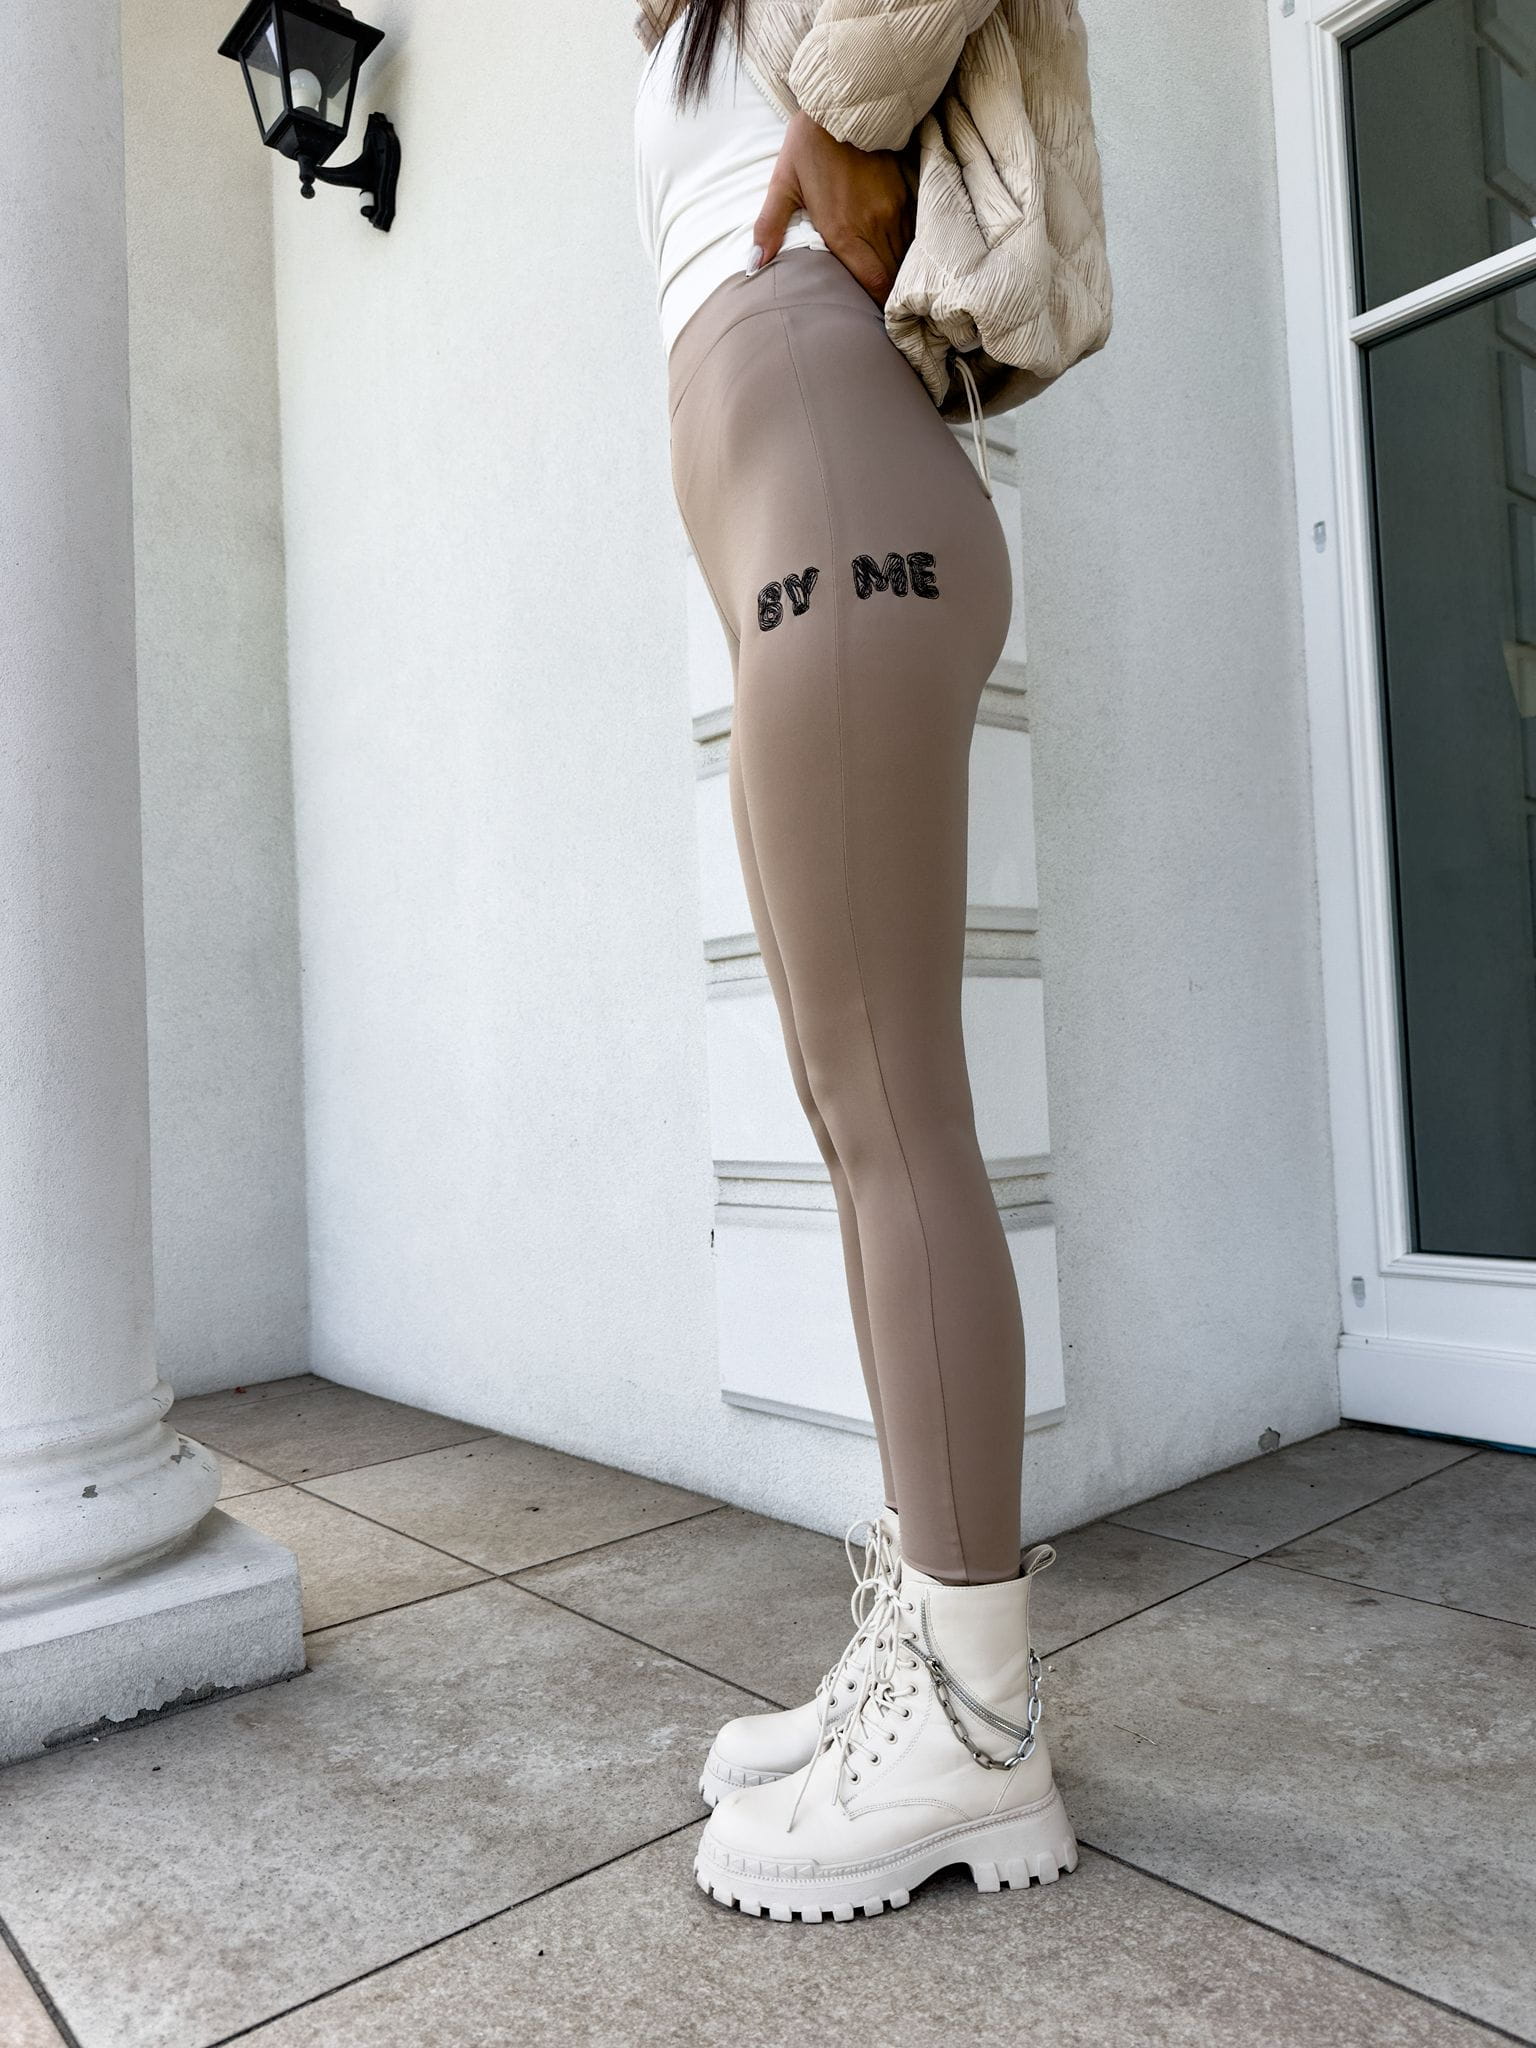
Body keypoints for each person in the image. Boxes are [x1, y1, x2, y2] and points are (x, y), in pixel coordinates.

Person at [632, 0, 1110, 1921]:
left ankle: (977, 1734)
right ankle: (931, 1644)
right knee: (852, 1110)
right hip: (793, 514)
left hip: (840, 500)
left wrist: (844, 105)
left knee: (896, 1107)